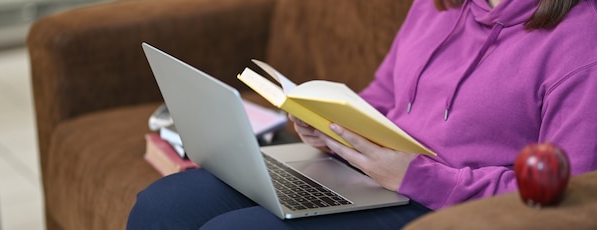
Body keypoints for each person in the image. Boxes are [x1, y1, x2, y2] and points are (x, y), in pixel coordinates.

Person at [127, 0, 597, 228]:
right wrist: (329, 123)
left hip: (434, 207)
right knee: (161, 206)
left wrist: (418, 177)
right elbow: (384, 95)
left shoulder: (581, 45)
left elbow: (567, 198)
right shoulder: (438, 4)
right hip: (357, 171)